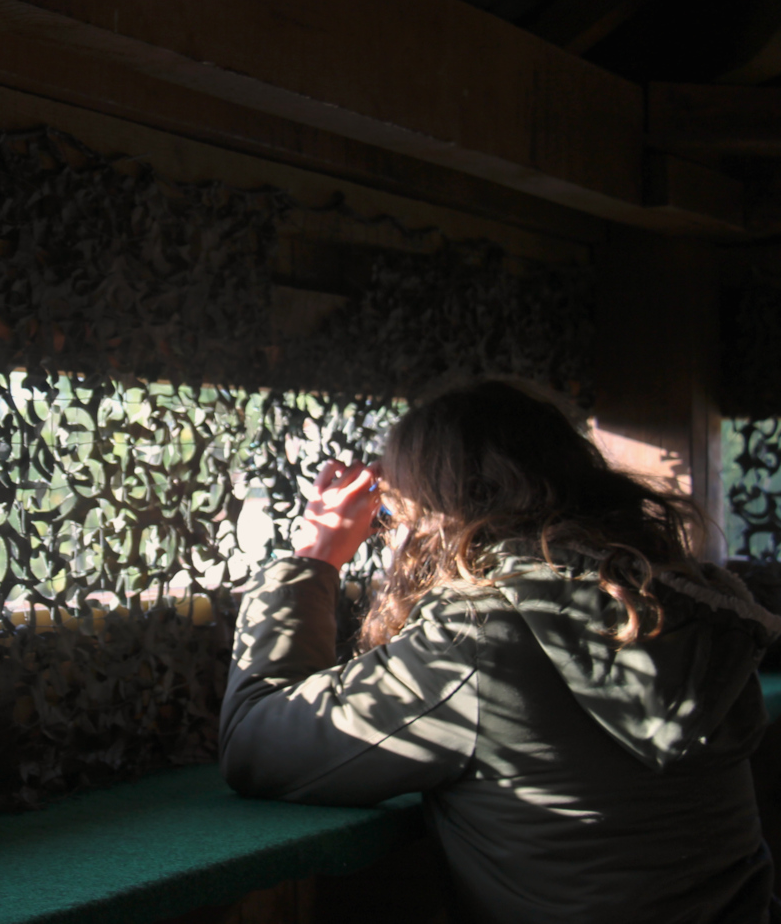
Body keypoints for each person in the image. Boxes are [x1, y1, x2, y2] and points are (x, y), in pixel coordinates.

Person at [219, 379, 781, 923]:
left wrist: (315, 558)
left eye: (392, 513)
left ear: (435, 514)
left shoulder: (480, 636)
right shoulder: (682, 605)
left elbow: (255, 741)